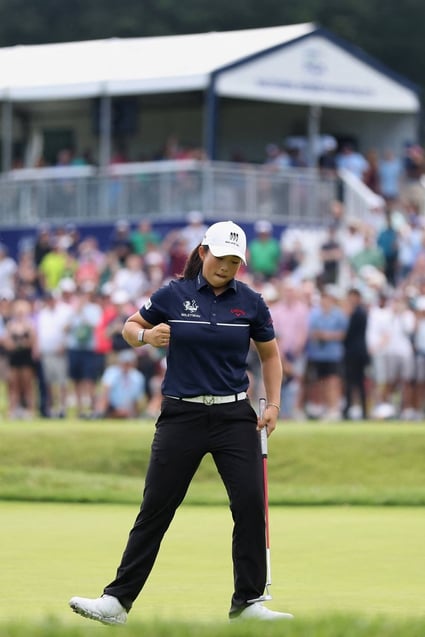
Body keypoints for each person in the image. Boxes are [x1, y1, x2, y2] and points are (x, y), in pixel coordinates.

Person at [69, 220, 293, 624]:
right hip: (181, 415)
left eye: (234, 261)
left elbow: (270, 356)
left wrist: (273, 404)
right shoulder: (173, 294)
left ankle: (248, 603)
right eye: (220, 258)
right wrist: (146, 338)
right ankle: (117, 602)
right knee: (156, 507)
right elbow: (129, 327)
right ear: (203, 252)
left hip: (233, 415)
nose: (226, 267)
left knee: (249, 505)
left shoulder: (251, 302)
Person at [94, 349, 146, 418]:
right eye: (124, 363)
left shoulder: (138, 376)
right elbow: (106, 390)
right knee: (103, 395)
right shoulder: (112, 372)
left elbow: (137, 397)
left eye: (128, 363)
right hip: (111, 405)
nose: (126, 366)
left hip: (127, 406)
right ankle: (100, 413)